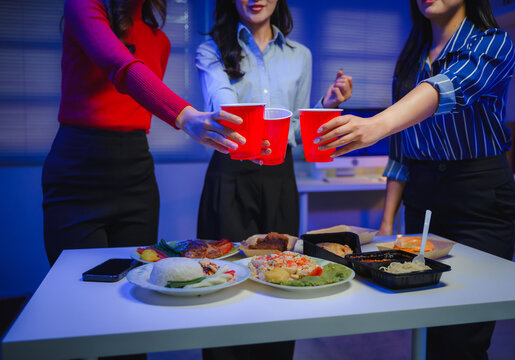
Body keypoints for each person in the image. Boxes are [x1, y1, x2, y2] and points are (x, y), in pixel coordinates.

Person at [315, 0, 515, 359]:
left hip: (479, 194)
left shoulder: (492, 42)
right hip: (422, 196)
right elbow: (403, 152)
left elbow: (450, 86)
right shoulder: (413, 56)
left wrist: (375, 124)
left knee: (464, 330)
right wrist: (387, 223)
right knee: (428, 318)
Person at [194, 0, 352, 359]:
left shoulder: (301, 55)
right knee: (223, 276)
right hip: (229, 173)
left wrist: (326, 105)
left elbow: (296, 126)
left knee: (284, 278)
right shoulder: (212, 49)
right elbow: (222, 101)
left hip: (280, 176)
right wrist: (247, 128)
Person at [42, 0, 247, 267]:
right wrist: (185, 116)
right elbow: (122, 66)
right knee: (77, 284)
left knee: (134, 282)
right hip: (78, 169)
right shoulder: (84, 6)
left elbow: (139, 100)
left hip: (136, 174)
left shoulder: (160, 40)